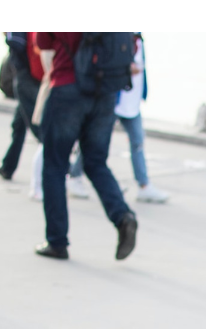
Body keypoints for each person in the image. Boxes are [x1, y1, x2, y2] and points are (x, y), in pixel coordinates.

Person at [34, 33, 138, 261]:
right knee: (96, 162)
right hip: (106, 93)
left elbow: (42, 44)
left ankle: (57, 241)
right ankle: (122, 217)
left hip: (67, 88)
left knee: (55, 165)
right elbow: (133, 46)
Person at [68, 34, 170, 204]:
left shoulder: (138, 39)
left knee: (137, 141)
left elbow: (141, 70)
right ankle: (76, 176)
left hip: (132, 102)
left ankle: (144, 186)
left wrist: (144, 92)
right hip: (114, 99)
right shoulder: (118, 36)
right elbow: (109, 62)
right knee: (95, 143)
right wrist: (128, 69)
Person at [0, 33, 41, 181]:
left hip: (26, 75)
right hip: (31, 72)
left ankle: (66, 165)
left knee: (37, 127)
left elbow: (16, 43)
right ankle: (8, 166)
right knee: (19, 124)